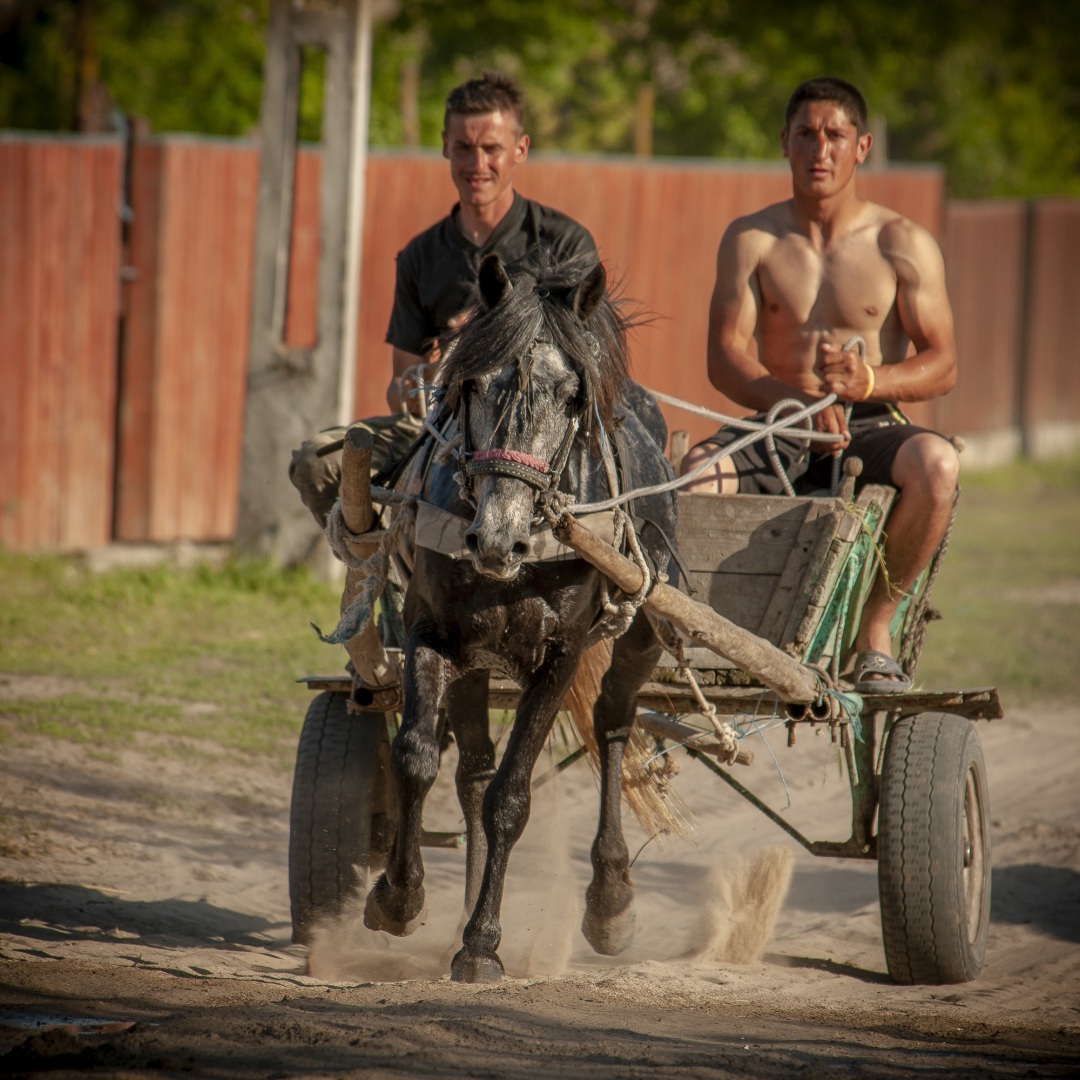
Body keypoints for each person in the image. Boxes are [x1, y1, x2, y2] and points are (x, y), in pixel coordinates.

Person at [679, 76, 959, 692]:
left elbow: (943, 362)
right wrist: (793, 401)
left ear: (861, 147)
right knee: (696, 475)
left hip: (871, 427)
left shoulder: (901, 243)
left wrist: (870, 379)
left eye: (835, 135)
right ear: (784, 142)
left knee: (937, 465)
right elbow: (725, 356)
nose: (819, 149)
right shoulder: (751, 239)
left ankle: (874, 634)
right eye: (806, 134)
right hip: (779, 423)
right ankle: (706, 638)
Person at [289, 71, 597, 527]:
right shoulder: (420, 256)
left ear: (520, 149)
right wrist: (436, 373)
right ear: (444, 147)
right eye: (463, 148)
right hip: (438, 431)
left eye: (491, 148)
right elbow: (402, 394)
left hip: (536, 432)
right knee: (314, 461)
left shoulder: (564, 244)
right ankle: (385, 571)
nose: (477, 163)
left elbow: (586, 369)